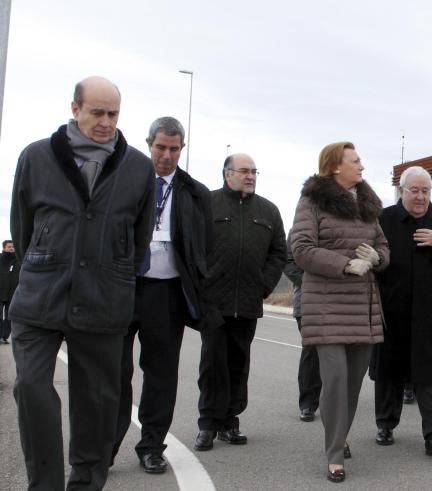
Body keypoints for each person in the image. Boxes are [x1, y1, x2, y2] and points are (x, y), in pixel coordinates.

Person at [8, 76, 155, 489]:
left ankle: (86, 483)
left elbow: (139, 238)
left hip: (103, 300)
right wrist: (46, 260)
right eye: (97, 112)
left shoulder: (138, 168)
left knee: (97, 405)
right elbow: (21, 226)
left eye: (114, 114)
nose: (107, 122)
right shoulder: (36, 156)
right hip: (41, 299)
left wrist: (113, 271)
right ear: (75, 109)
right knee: (32, 388)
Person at [111, 117, 217, 474]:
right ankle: (105, 445)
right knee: (114, 371)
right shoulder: (124, 180)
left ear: (181, 149)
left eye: (174, 149)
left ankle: (152, 445)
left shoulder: (195, 192)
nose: (167, 155)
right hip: (123, 289)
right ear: (148, 144)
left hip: (167, 293)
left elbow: (206, 246)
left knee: (160, 373)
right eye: (161, 147)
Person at [291, 141, 389, 483]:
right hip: (326, 306)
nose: (362, 166)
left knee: (353, 382)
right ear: (335, 166)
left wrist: (378, 259)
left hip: (362, 307)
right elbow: (301, 249)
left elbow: (382, 245)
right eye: (356, 160)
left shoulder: (367, 204)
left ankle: (340, 434)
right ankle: (334, 453)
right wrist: (347, 264)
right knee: (334, 380)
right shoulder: (312, 202)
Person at [371, 165, 432, 456]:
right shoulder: (384, 219)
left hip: (429, 312)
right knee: (389, 372)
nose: (421, 196)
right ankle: (385, 425)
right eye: (414, 190)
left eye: (426, 190)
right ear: (401, 191)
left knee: (430, 375)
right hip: (391, 309)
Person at [196, 153, 287, 451]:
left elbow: (279, 253)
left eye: (254, 171)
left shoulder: (269, 211)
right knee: (213, 364)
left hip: (248, 301)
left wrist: (263, 285)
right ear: (227, 174)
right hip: (213, 301)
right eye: (244, 171)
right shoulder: (206, 204)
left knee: (238, 363)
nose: (250, 176)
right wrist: (201, 284)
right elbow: (192, 246)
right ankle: (208, 424)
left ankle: (230, 421)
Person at [283, 231, 322, 422]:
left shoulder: (342, 221)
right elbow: (287, 262)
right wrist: (311, 283)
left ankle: (336, 399)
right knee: (312, 351)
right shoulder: (300, 227)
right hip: (306, 301)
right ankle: (308, 403)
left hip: (339, 301)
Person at [1, 240, 19, 344]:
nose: (11, 248)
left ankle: (4, 336)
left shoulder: (18, 261)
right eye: (9, 247)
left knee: (9, 317)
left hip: (12, 294)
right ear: (4, 248)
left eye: (13, 246)